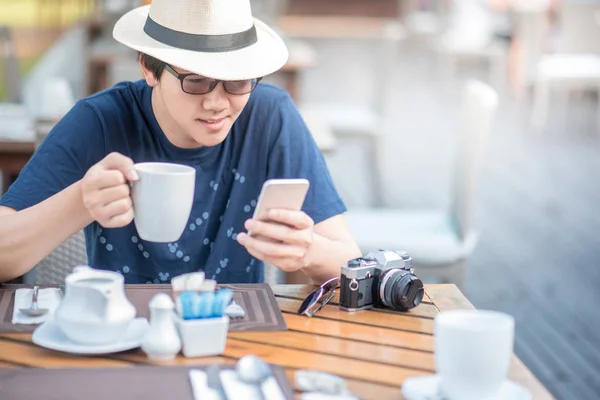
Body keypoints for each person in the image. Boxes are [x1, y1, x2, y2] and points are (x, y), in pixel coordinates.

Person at [0, 0, 361, 285]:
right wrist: (82, 200)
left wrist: (308, 251)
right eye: (197, 81)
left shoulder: (271, 116)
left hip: (238, 337)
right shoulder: (99, 121)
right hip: (121, 338)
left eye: (237, 80)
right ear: (147, 68)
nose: (217, 103)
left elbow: (351, 265)